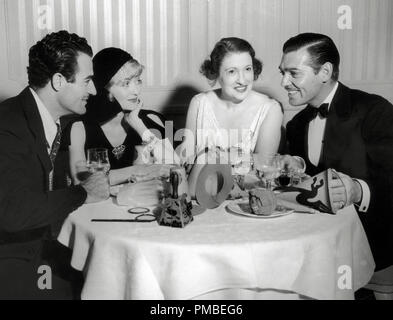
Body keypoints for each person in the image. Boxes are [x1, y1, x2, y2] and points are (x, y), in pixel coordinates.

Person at [0, 30, 109, 299]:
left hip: (41, 248)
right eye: (88, 81)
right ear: (59, 81)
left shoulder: (49, 120)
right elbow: (13, 213)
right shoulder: (9, 125)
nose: (93, 90)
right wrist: (84, 192)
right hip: (14, 261)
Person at [279, 32, 393, 271]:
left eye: (294, 73)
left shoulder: (375, 111)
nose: (284, 82)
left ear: (325, 72)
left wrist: (358, 191)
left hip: (371, 244)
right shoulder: (296, 125)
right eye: (283, 73)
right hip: (312, 246)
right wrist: (297, 167)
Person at [68, 47, 177, 186]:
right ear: (105, 89)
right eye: (126, 83)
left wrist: (139, 126)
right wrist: (140, 170)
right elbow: (81, 181)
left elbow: (176, 170)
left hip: (143, 205)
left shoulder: (152, 119)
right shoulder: (79, 128)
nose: (136, 90)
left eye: (137, 81)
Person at [180, 37, 283, 174]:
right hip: (201, 191)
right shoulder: (199, 103)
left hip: (249, 193)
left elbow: (263, 166)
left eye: (247, 69)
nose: (242, 79)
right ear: (216, 73)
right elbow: (186, 157)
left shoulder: (271, 108)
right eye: (232, 71)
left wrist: (212, 158)